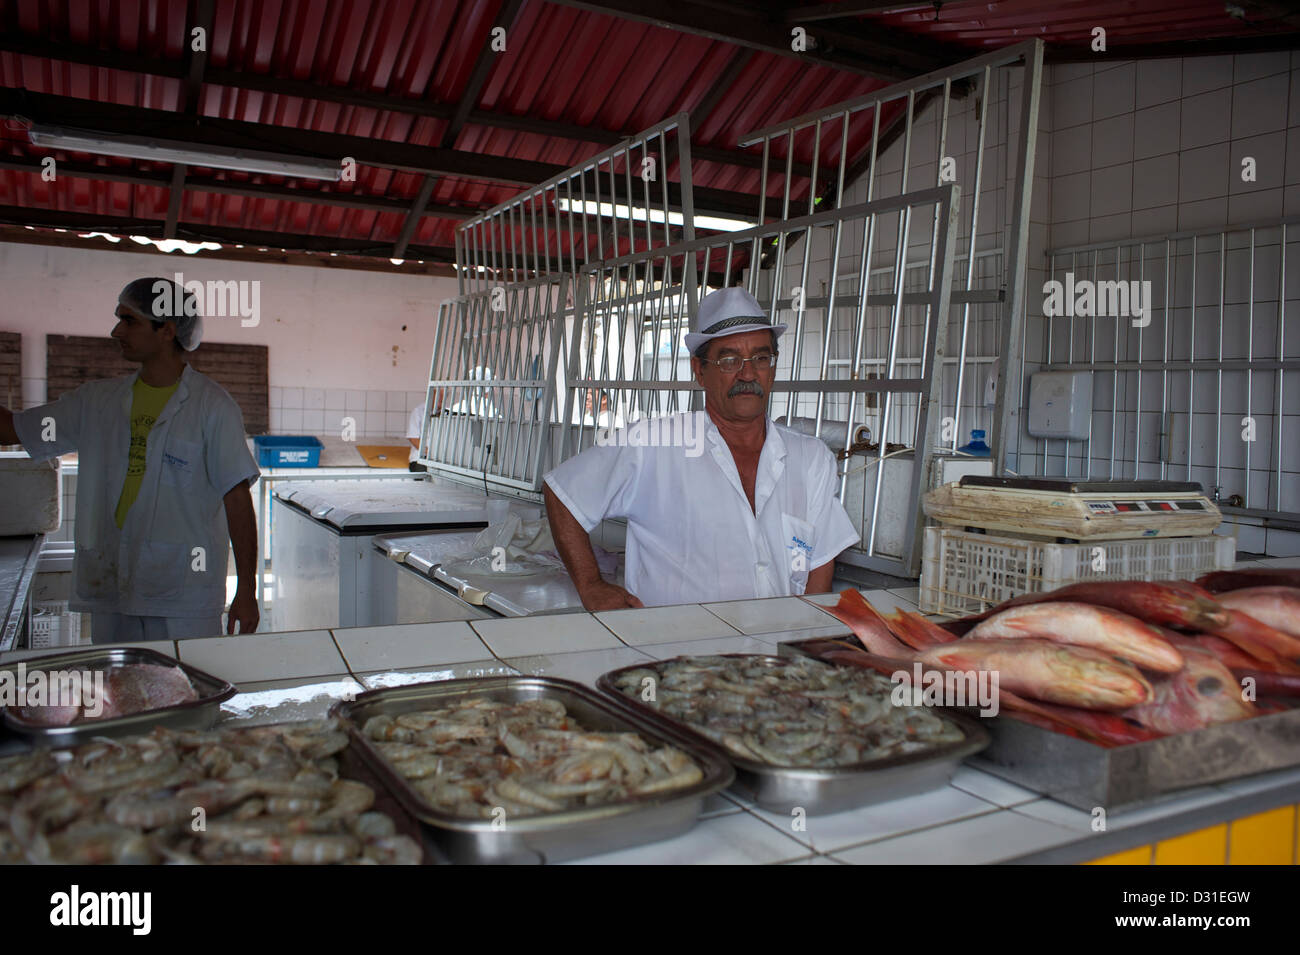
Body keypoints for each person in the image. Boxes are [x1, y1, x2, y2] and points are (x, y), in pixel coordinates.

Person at [543, 286, 859, 610]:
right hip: (675, 651)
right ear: (699, 371)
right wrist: (591, 586)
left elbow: (820, 559)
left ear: (772, 367)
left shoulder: (811, 458)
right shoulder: (654, 445)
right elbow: (563, 493)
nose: (748, 373)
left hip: (776, 654)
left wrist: (809, 634)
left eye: (761, 358)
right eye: (729, 360)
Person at [0, 278, 261, 642]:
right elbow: (13, 429)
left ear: (167, 330)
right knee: (120, 692)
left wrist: (246, 591)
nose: (115, 331)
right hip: (112, 586)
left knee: (184, 689)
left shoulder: (212, 407)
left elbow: (237, 501)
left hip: (182, 594)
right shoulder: (96, 403)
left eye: (129, 320)